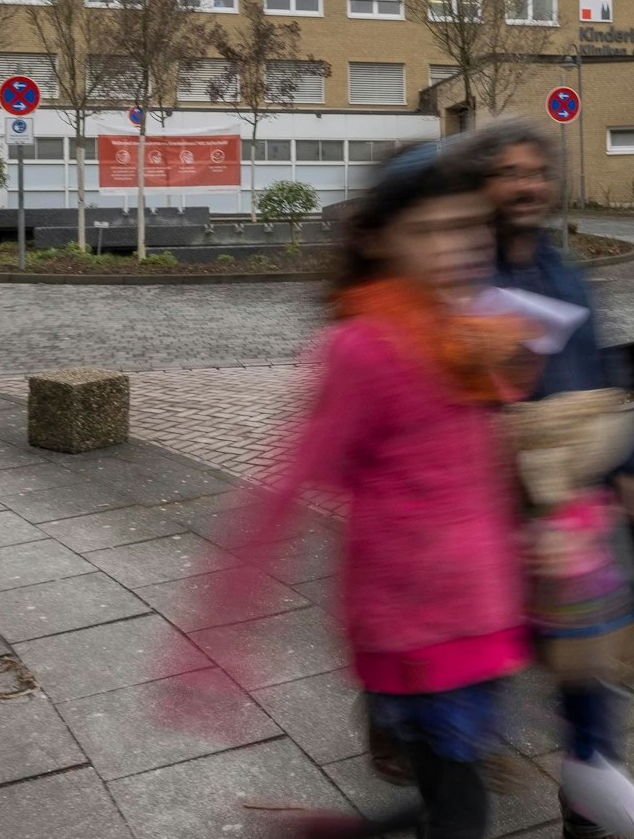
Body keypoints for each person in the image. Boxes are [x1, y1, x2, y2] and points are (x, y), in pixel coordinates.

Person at [191, 143, 537, 839]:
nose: (452, 248)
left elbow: (482, 460)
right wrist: (221, 632)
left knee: (451, 778)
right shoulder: (363, 347)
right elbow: (290, 485)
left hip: (484, 604)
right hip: (415, 619)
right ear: (379, 240)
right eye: (427, 231)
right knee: (460, 794)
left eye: (466, 227)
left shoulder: (465, 328)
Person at [462, 121, 634, 839]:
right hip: (490, 505)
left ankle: (587, 795)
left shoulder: (565, 270)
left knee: (590, 656)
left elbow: (606, 367)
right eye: (509, 173)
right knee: (486, 649)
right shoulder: (462, 275)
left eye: (536, 173)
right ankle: (450, 770)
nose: (526, 186)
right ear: (483, 185)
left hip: (574, 503)